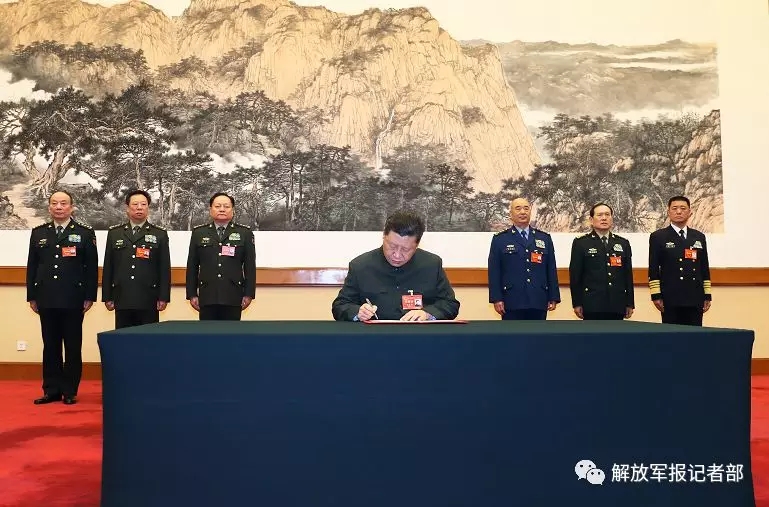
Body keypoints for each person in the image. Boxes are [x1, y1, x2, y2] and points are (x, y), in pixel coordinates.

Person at [26, 191, 98, 405]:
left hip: (73, 298)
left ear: (71, 207)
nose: (59, 207)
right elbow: (32, 266)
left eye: (63, 203)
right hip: (46, 297)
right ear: (49, 207)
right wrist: (32, 296)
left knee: (73, 346)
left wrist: (89, 296)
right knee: (50, 345)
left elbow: (91, 268)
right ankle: (51, 390)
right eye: (54, 203)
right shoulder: (39, 233)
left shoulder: (84, 233)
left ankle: (69, 390)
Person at [331, 210, 460, 321]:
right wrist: (358, 312)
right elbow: (340, 306)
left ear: (417, 245)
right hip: (374, 337)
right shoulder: (360, 266)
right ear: (384, 236)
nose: (397, 255)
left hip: (419, 337)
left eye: (405, 249)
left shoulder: (431, 265)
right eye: (392, 246)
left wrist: (427, 314)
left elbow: (450, 304)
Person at [102, 190, 171, 329]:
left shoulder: (160, 234)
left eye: (143, 204)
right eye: (135, 204)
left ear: (148, 208)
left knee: (149, 338)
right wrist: (107, 296)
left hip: (149, 297)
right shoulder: (115, 233)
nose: (139, 208)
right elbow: (109, 266)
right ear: (127, 208)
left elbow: (164, 268)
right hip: (122, 296)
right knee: (123, 338)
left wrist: (163, 297)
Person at [186, 192, 256, 320]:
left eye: (226, 206)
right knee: (207, 332)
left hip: (233, 295)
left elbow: (250, 266)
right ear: (210, 209)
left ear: (233, 210)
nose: (222, 209)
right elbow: (192, 266)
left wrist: (248, 294)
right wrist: (192, 294)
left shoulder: (244, 233)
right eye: (218, 206)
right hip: (207, 295)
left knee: (231, 332)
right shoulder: (199, 233)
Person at [488, 197, 560, 320]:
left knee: (539, 332)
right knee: (512, 332)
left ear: (530, 212)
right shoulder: (500, 239)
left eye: (526, 208)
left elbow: (551, 269)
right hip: (511, 300)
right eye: (518, 208)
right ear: (511, 214)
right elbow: (494, 271)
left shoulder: (544, 238)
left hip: (538, 299)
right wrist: (496, 298)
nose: (523, 212)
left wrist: (553, 296)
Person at [648, 195, 712, 326]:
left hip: (695, 296)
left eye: (683, 208)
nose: (678, 212)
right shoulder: (658, 236)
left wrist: (707, 295)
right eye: (674, 208)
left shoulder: (698, 237)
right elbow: (653, 268)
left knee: (694, 335)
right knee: (672, 335)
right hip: (670, 296)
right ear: (668, 212)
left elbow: (704, 267)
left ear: (690, 212)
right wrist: (656, 295)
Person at [569, 203, 634, 320]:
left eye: (607, 215)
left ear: (612, 219)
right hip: (591, 304)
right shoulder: (581, 243)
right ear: (591, 220)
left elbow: (628, 275)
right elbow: (575, 276)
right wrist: (577, 303)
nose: (604, 218)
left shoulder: (623, 243)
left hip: (617, 304)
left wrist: (630, 303)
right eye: (599, 215)